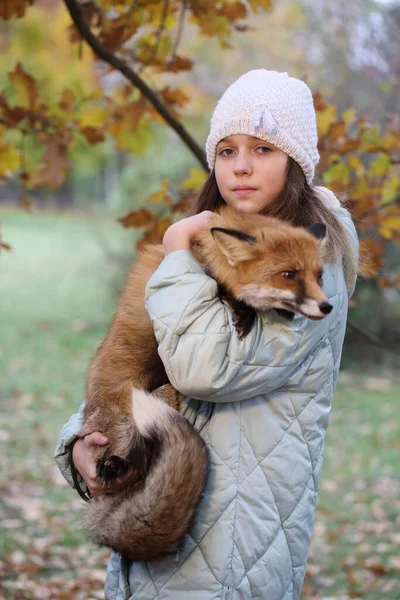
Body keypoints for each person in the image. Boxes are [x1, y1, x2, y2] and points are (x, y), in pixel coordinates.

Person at [55, 69, 359, 600]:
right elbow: (142, 357)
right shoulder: (218, 239)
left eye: (263, 148)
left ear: (296, 163)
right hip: (163, 537)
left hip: (231, 552)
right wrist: (82, 443)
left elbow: (201, 368)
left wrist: (176, 255)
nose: (240, 166)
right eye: (225, 150)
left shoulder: (311, 262)